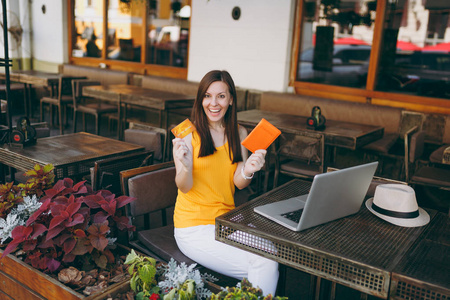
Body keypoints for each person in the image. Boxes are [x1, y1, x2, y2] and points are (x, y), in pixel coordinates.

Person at [172, 70, 279, 296]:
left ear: (231, 100)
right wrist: (186, 165)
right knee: (264, 264)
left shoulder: (239, 133)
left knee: (271, 253)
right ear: (200, 99)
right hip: (193, 227)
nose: (214, 103)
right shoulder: (188, 136)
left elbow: (238, 183)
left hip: (227, 221)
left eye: (221, 96)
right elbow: (183, 185)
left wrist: (249, 170)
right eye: (207, 96)